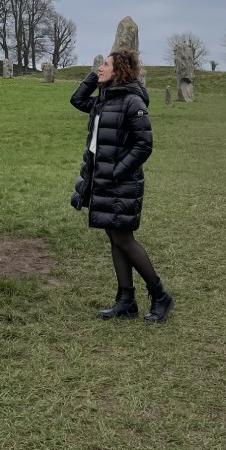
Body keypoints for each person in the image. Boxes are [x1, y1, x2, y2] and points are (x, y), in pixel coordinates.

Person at [70, 50, 174, 322]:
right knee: (114, 236)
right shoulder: (105, 100)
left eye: (105, 65)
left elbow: (144, 144)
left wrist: (117, 171)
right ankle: (126, 300)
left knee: (124, 239)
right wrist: (94, 77)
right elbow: (77, 99)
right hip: (102, 178)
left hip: (120, 181)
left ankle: (160, 295)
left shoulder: (132, 101)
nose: (100, 68)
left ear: (119, 71)